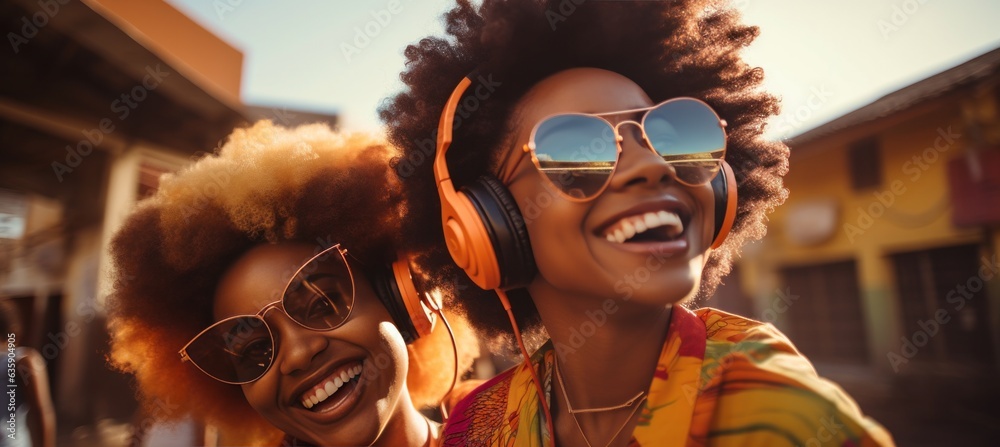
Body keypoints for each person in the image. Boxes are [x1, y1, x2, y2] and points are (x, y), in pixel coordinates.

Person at [379, 0, 895, 446]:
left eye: (670, 135)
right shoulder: (475, 428)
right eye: (576, 152)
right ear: (484, 223)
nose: (652, 165)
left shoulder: (782, 417)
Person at [106, 121, 479, 447]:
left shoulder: (517, 427)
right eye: (254, 351)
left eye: (321, 304)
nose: (299, 355)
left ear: (401, 295)